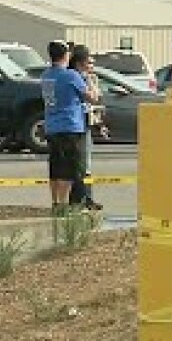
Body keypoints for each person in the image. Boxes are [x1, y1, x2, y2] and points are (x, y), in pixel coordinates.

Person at [40, 40, 94, 215]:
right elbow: (91, 97)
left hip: (51, 125)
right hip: (70, 125)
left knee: (55, 167)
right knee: (68, 169)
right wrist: (92, 82)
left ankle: (55, 201)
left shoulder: (46, 75)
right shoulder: (70, 75)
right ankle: (63, 204)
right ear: (66, 55)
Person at [67, 45, 104, 211]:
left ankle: (86, 197)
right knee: (81, 162)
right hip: (78, 123)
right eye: (89, 62)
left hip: (86, 121)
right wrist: (90, 81)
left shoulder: (86, 77)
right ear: (80, 63)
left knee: (86, 162)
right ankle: (79, 199)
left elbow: (96, 98)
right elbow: (93, 97)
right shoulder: (77, 78)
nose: (92, 66)